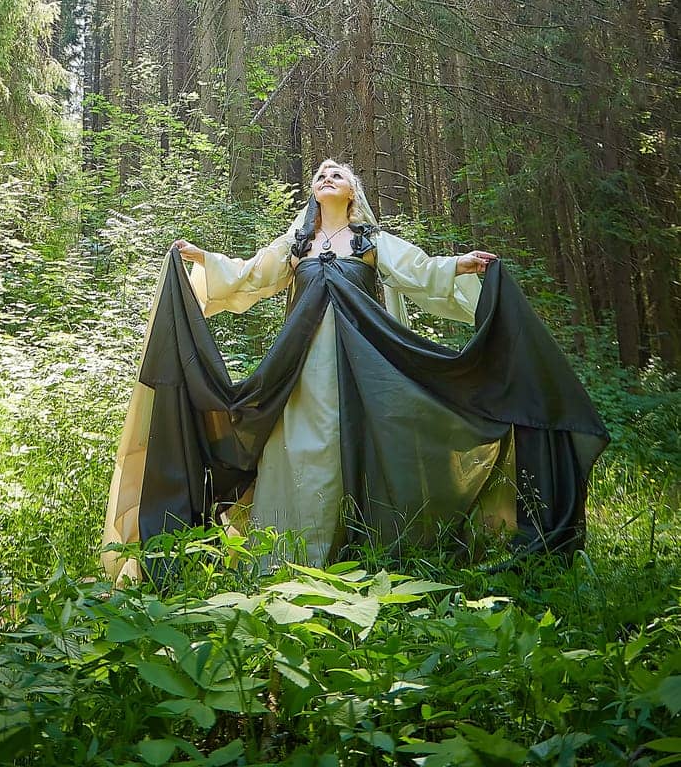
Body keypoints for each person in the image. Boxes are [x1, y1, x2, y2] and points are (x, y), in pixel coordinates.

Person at [101, 158, 610, 587]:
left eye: (337, 171)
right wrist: (201, 260)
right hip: (300, 374)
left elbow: (418, 270)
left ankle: (368, 553)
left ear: (352, 191)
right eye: (320, 172)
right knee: (302, 449)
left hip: (364, 371)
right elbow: (249, 276)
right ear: (312, 193)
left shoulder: (370, 240)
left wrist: (460, 265)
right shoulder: (296, 243)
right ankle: (288, 562)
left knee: (364, 451)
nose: (326, 174)